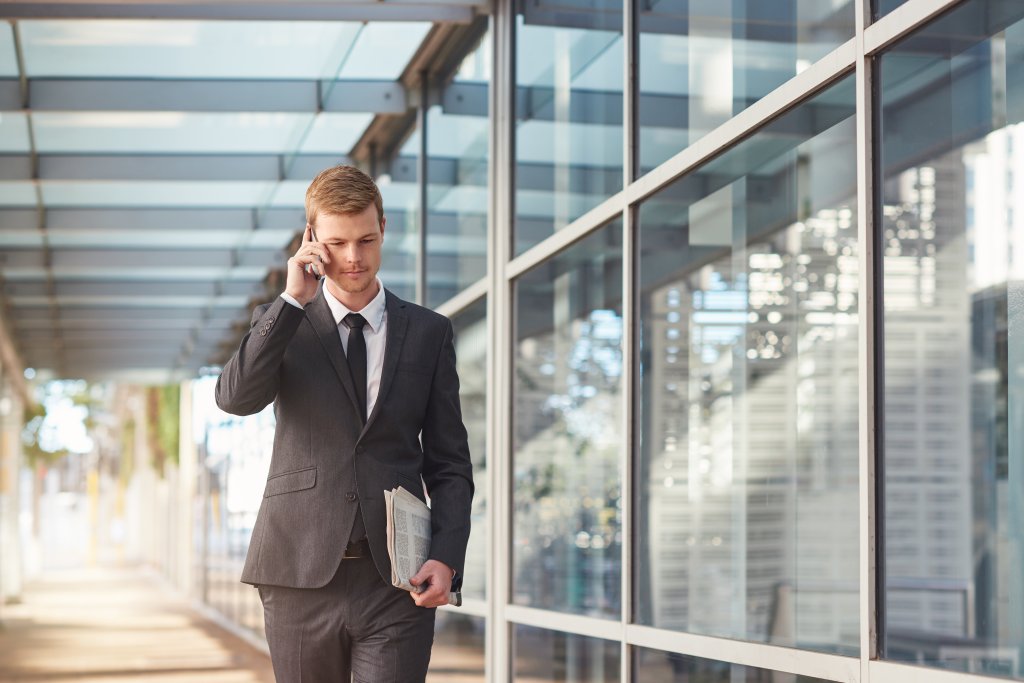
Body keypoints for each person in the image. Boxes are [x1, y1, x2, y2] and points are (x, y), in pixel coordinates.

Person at [215, 164, 474, 682]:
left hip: (397, 579)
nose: (354, 258)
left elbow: (450, 462)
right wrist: (292, 302)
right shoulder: (284, 320)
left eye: (367, 240)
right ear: (311, 239)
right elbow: (235, 399)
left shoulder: (428, 332)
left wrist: (447, 556)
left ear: (385, 229)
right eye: (337, 242)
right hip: (298, 575)